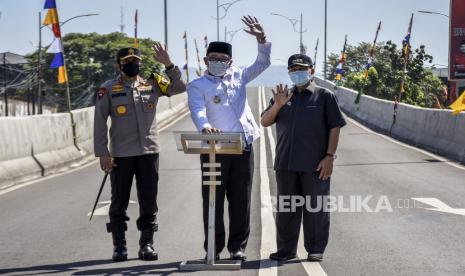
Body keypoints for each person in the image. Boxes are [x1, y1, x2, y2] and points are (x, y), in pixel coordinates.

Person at [187, 15, 271, 261]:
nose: (218, 63)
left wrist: (262, 39)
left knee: (241, 199)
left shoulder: (240, 76)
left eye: (223, 60)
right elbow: (197, 110)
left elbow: (263, 62)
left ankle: (237, 247)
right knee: (212, 200)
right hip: (215, 149)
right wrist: (204, 127)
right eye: (213, 59)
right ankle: (213, 248)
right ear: (205, 60)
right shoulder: (198, 85)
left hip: (242, 147)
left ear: (230, 61)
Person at [93, 44, 186, 262]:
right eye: (127, 62)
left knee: (149, 200)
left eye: (135, 61)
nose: (132, 65)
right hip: (121, 155)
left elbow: (180, 88)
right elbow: (99, 121)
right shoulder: (108, 88)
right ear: (119, 65)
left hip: (149, 152)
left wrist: (168, 65)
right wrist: (103, 153)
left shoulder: (153, 83)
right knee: (119, 201)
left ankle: (147, 244)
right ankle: (120, 246)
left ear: (141, 63)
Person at [261, 54, 346, 262]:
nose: (297, 72)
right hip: (286, 163)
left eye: (302, 69)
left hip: (315, 165)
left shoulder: (324, 96)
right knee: (286, 210)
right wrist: (278, 105)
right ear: (289, 72)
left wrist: (329, 157)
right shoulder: (282, 96)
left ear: (312, 71)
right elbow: (264, 121)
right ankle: (286, 250)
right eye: (293, 69)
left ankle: (315, 248)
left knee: (316, 209)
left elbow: (335, 127)